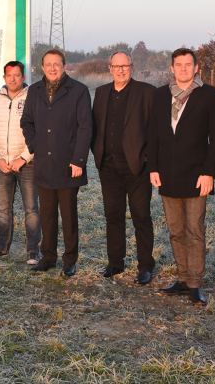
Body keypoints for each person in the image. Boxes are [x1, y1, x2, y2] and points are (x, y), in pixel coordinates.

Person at [148, 48, 215, 305]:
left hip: (196, 175)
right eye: (178, 64)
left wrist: (208, 173)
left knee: (195, 229)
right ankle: (182, 278)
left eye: (187, 64)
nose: (183, 69)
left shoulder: (210, 95)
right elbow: (154, 135)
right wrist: (153, 168)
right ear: (172, 68)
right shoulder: (160, 95)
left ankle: (195, 282)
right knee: (176, 230)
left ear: (196, 67)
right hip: (168, 174)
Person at [21, 49, 92, 277]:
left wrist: (78, 159)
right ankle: (48, 256)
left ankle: (69, 259)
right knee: (47, 214)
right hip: (44, 163)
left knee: (68, 216)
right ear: (42, 67)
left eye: (57, 64)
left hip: (69, 164)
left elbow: (85, 127)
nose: (52, 68)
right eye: (48, 64)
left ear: (64, 66)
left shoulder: (79, 91)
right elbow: (27, 121)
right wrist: (35, 145)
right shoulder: (35, 90)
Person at [91, 51, 157, 284]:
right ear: (109, 68)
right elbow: (95, 127)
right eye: (116, 66)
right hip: (108, 167)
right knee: (113, 215)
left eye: (125, 66)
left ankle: (145, 266)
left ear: (132, 67)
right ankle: (115, 262)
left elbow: (155, 130)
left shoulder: (147, 92)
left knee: (141, 216)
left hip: (137, 167)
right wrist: (98, 153)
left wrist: (148, 159)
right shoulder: (100, 93)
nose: (120, 70)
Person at [0, 60, 40, 263]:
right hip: (3, 165)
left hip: (27, 164)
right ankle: (1, 247)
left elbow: (39, 132)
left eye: (17, 75)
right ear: (4, 77)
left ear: (23, 77)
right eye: (9, 75)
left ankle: (33, 251)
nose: (13, 79)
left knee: (31, 208)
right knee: (3, 208)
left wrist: (23, 157)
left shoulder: (34, 99)